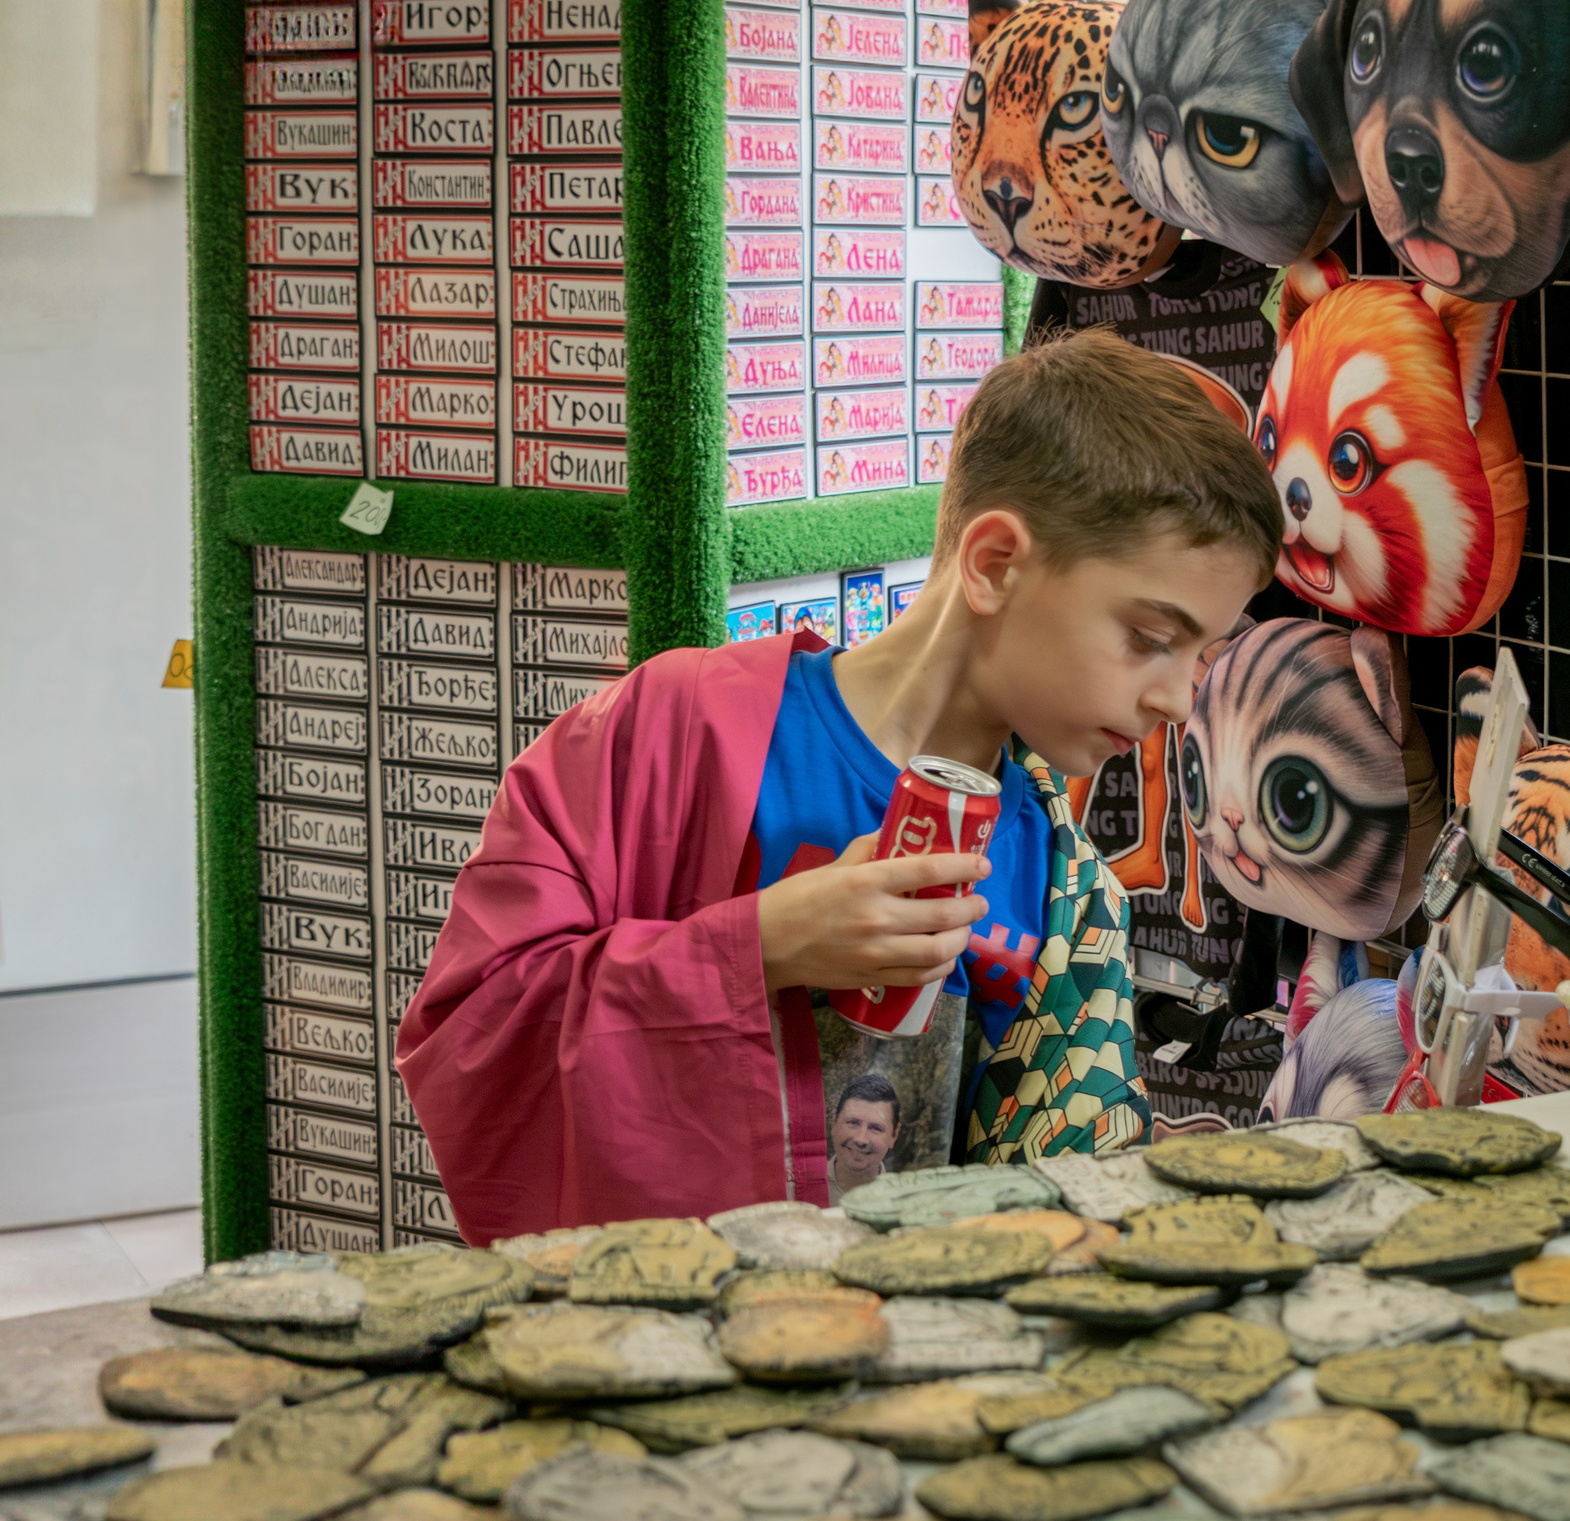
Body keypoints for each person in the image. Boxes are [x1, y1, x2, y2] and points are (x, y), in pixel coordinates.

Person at [396, 328, 1282, 1245]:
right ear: (995, 564)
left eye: (1203, 655)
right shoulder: (671, 729)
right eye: (1150, 635)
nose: (1177, 700)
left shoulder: (1069, 894)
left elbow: (1063, 1225)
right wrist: (761, 947)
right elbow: (470, 1038)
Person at [829, 1074, 901, 1202]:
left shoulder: (903, 1201)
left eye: (875, 1128)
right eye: (853, 1123)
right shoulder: (797, 1190)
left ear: (894, 1135)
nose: (861, 1139)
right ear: (834, 1122)